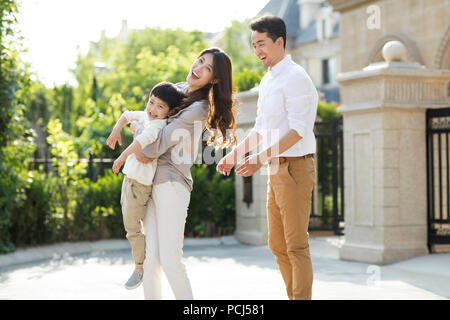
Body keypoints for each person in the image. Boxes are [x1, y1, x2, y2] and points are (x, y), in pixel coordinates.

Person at [217, 15, 318, 300]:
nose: (257, 50)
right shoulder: (269, 80)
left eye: (261, 43)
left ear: (279, 41)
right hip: (275, 168)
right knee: (277, 245)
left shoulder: (296, 77)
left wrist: (259, 158)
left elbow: (298, 130)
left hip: (296, 167)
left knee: (296, 246)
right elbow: (261, 128)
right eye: (253, 45)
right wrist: (234, 154)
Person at [133, 47, 236, 300]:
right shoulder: (177, 90)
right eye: (199, 61)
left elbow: (156, 143)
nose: (198, 68)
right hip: (152, 179)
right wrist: (142, 131)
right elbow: (151, 120)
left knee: (170, 260)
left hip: (171, 184)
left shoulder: (199, 108)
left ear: (214, 80)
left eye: (207, 68)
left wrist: (137, 132)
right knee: (150, 259)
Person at [106, 81, 186, 290]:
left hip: (139, 185)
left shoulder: (158, 126)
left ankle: (140, 267)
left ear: (169, 112)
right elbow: (126, 114)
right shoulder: (146, 115)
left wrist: (122, 157)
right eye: (152, 102)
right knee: (131, 225)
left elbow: (140, 142)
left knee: (132, 228)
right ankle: (142, 259)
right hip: (130, 181)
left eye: (160, 107)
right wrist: (116, 131)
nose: (153, 109)